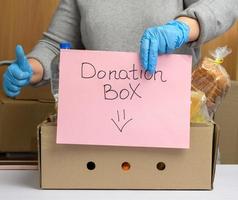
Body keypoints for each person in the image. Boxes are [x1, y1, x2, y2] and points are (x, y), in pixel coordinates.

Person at [2, 0, 238, 97]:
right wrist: (32, 68)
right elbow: (55, 45)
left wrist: (184, 27)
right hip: (102, 123)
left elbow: (226, 4)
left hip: (175, 120)